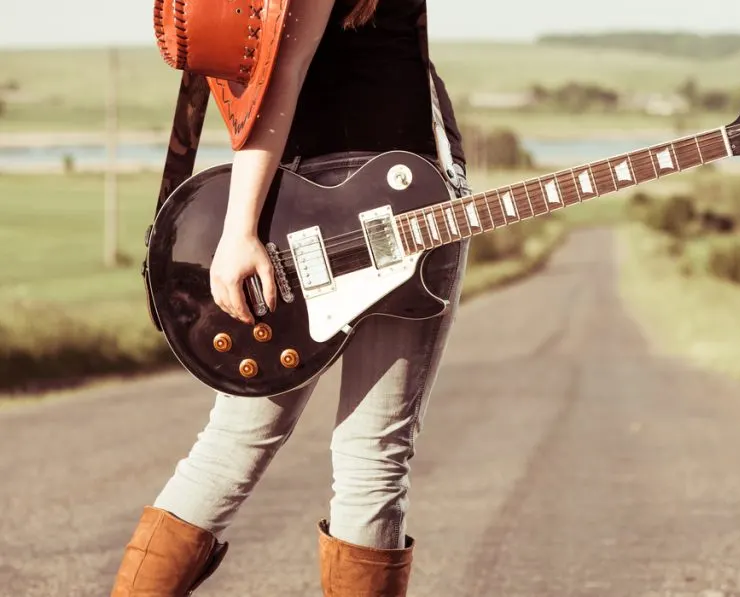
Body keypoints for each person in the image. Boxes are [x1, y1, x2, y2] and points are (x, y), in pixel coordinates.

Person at [109, 0, 470, 595]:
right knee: (369, 457)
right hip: (367, 203)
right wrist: (239, 230)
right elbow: (282, 73)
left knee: (245, 446)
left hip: (337, 197)